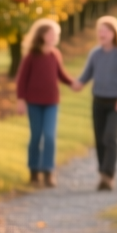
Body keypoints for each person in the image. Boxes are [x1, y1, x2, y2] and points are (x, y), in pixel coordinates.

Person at [72, 16, 117, 191]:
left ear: (114, 33)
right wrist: (77, 84)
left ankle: (108, 175)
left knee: (110, 137)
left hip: (116, 103)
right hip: (98, 101)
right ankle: (102, 174)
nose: (102, 33)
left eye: (106, 30)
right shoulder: (95, 54)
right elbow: (86, 75)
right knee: (99, 139)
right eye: (100, 30)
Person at [14, 18, 77, 188]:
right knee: (36, 136)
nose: (55, 36)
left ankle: (48, 171)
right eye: (51, 34)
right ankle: (34, 171)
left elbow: (61, 75)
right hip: (33, 102)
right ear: (42, 35)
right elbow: (21, 80)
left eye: (56, 34)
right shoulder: (31, 56)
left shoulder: (55, 55)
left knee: (49, 136)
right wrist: (21, 100)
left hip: (51, 102)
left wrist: (73, 83)